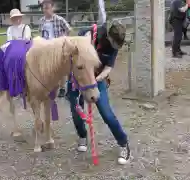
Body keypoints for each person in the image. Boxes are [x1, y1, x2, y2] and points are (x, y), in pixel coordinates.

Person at [67, 21, 130, 165]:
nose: (116, 48)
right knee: (76, 109)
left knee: (106, 113)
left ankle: (123, 143)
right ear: (108, 36)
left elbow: (108, 67)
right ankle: (82, 136)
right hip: (79, 77)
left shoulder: (115, 45)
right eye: (114, 43)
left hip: (97, 79)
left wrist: (97, 79)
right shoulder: (87, 34)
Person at [39, 0, 71, 98]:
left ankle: (62, 88)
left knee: (60, 69)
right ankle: (50, 86)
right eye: (44, 8)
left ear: (52, 8)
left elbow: (69, 29)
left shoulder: (59, 19)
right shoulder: (41, 21)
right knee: (48, 68)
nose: (46, 10)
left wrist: (63, 38)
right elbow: (41, 33)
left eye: (48, 8)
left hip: (57, 47)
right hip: (46, 47)